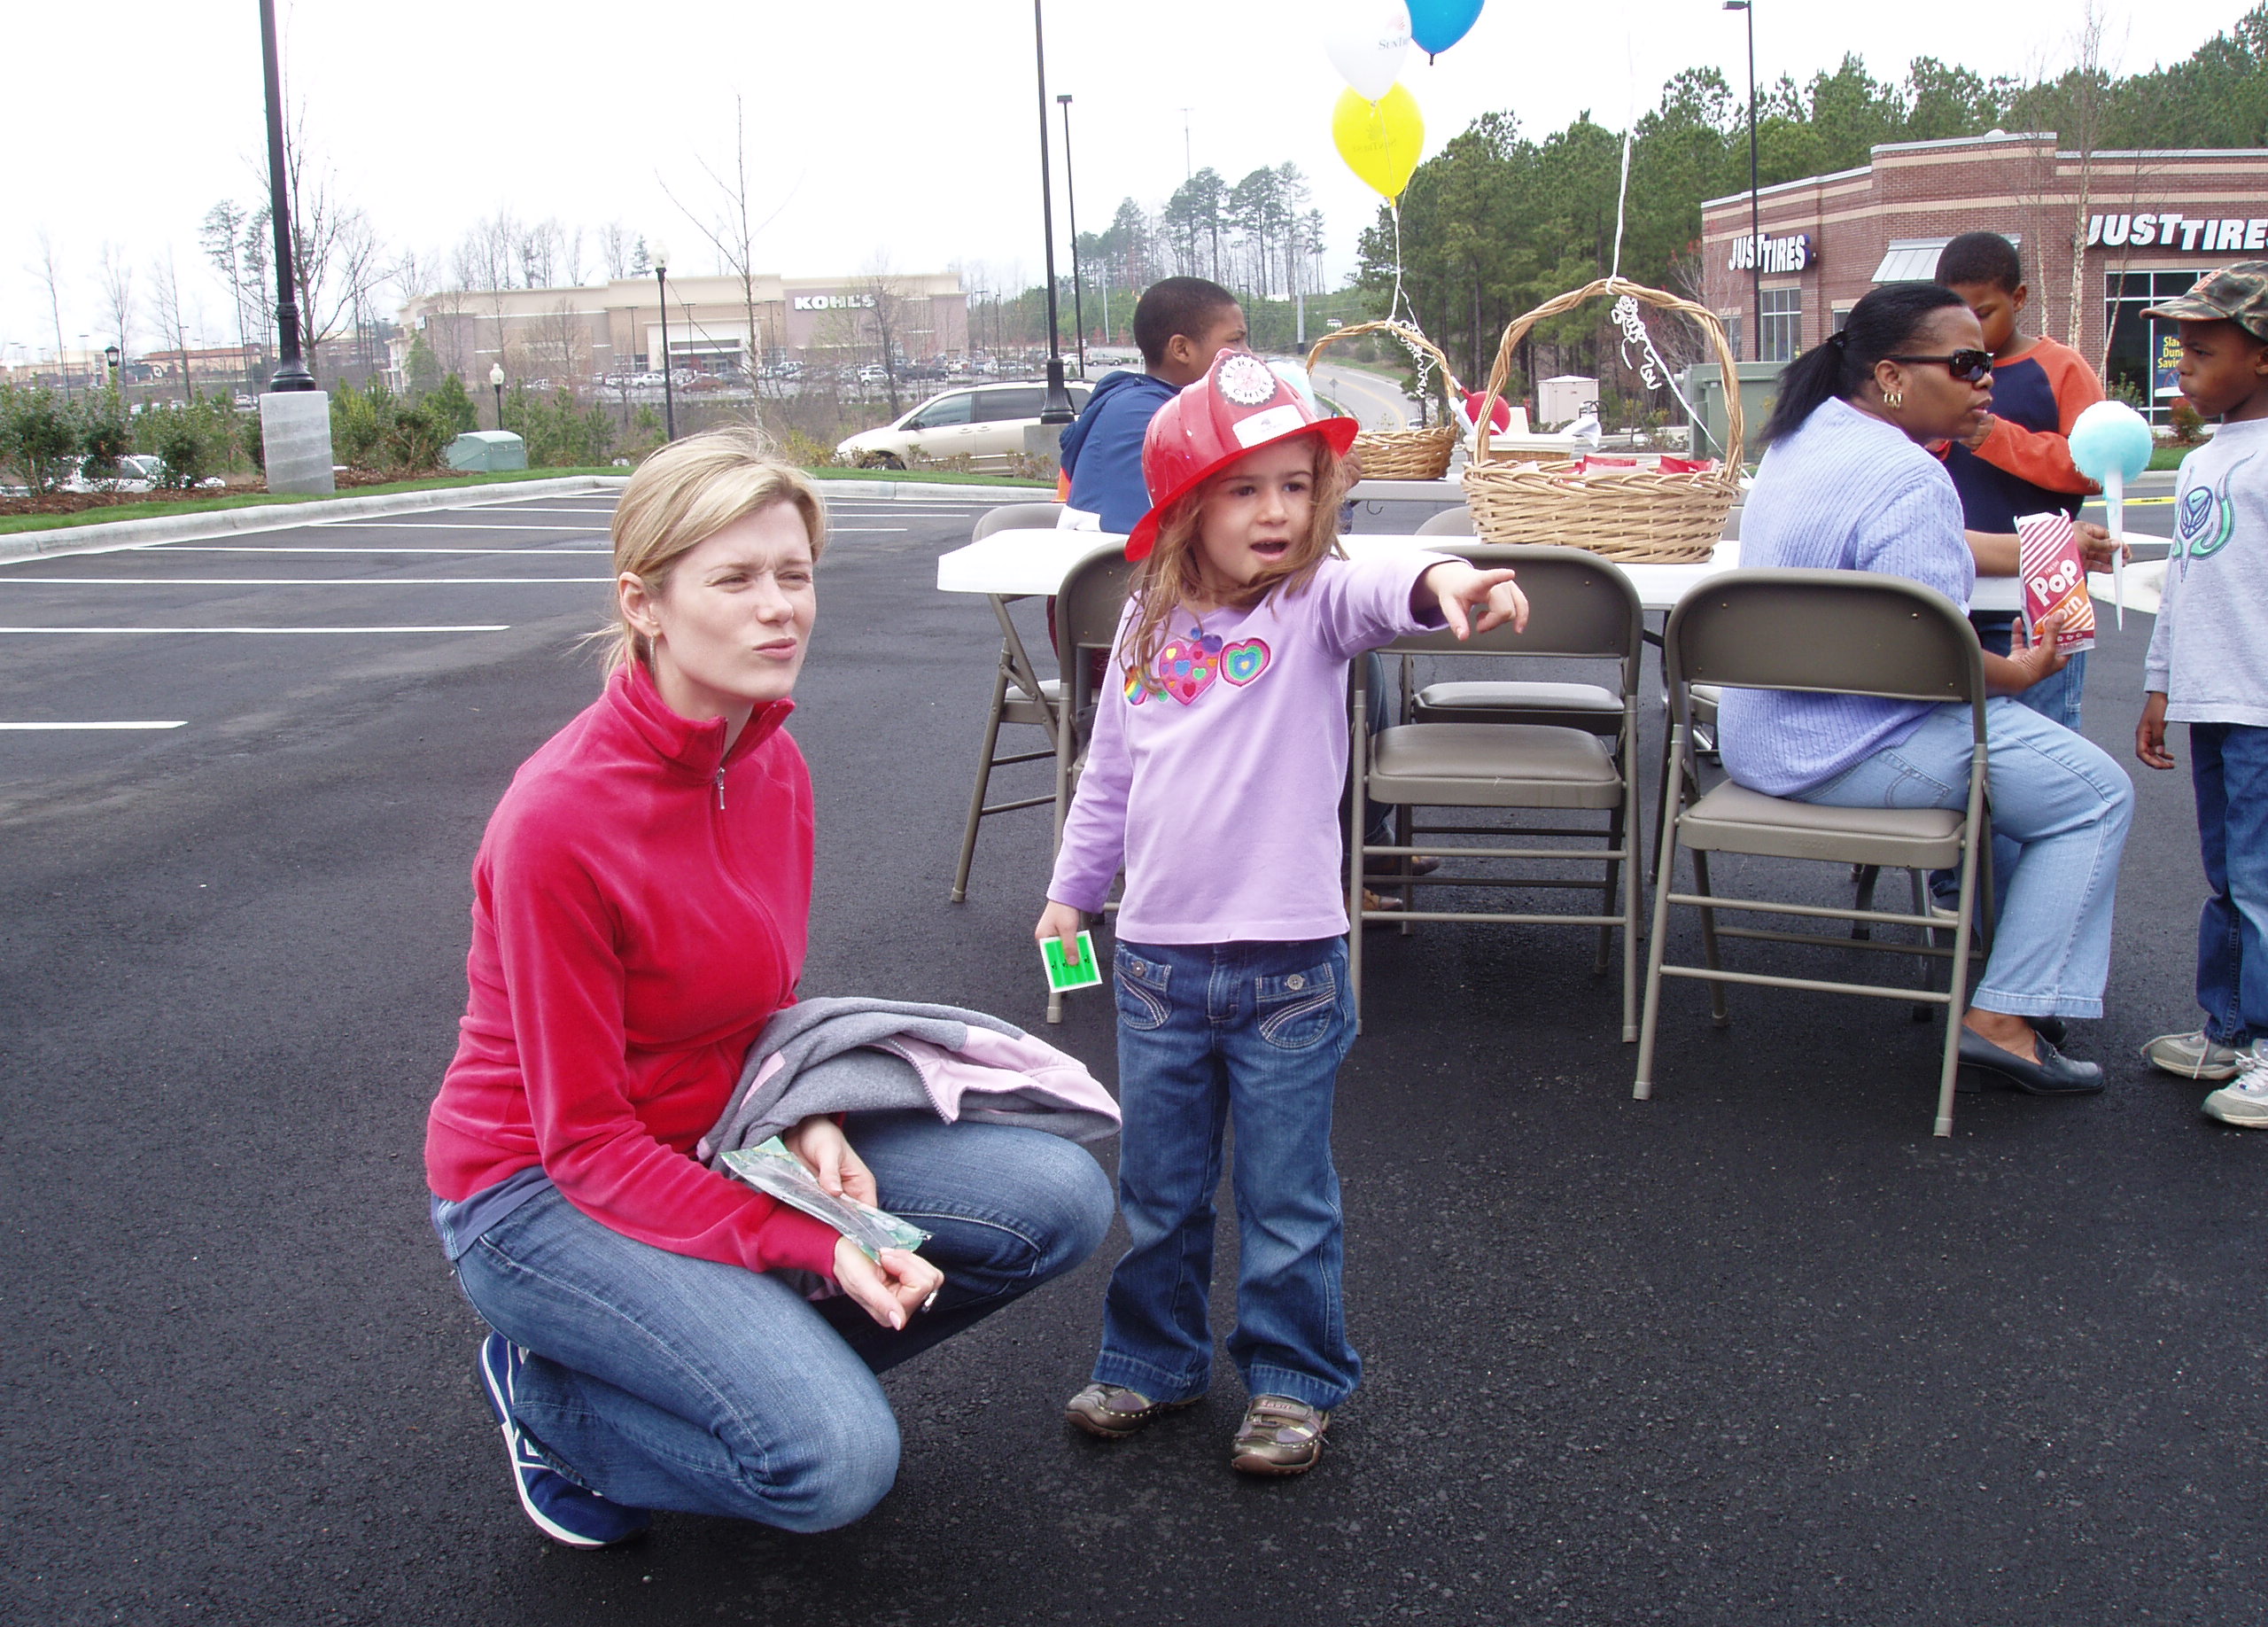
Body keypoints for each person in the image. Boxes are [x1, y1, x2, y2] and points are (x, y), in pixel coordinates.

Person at [425, 431, 1113, 1548]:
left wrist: (809, 1117)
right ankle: (553, 1404)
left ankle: (734, 1370)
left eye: (793, 574)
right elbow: (585, 1145)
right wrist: (808, 1238)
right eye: (734, 579)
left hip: (715, 1135)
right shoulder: (556, 825)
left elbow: (755, 1017)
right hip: (539, 1192)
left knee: (1058, 1200)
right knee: (833, 1467)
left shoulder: (767, 762)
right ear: (644, 603)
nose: (778, 609)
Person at [1034, 350, 1529, 1474]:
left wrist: (1446, 578)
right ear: (1185, 507)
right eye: (1244, 489)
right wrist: (1070, 893)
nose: (1276, 513)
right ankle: (1151, 1361)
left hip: (1288, 969)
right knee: (1158, 1192)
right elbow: (1108, 777)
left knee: (1286, 1198)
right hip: (1156, 966)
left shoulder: (1312, 607)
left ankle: (1292, 1380)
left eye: (1298, 486)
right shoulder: (1147, 624)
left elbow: (1383, 583)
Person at [1716, 281, 2135, 1096]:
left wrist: (2049, 546)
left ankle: (2018, 985)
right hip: (1850, 745)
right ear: (1893, 376)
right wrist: (2023, 671)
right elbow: (1935, 663)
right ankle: (2004, 1018)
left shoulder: (1805, 438)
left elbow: (1920, 545)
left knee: (2055, 784)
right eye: (1967, 363)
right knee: (2095, 795)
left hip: (1764, 736)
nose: (1987, 379)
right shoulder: (1910, 476)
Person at [2134, 261, 2268, 1125]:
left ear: (2262, 357)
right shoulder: (2203, 460)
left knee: (2261, 882)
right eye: (2180, 349)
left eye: (2204, 350)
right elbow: (2182, 588)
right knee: (2229, 876)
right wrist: (2159, 685)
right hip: (2214, 700)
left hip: (2261, 706)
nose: (2182, 364)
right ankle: (2229, 1028)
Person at [1934, 230, 2109, 732]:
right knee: (1960, 738)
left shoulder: (2061, 368)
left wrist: (1996, 438)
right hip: (1955, 589)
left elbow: (2095, 470)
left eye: (1983, 313)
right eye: (1956, 314)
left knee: (2043, 734)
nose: (1969, 328)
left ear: (2019, 298)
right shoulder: (1937, 371)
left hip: (2046, 590)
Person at [1056, 277, 1248, 532]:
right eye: (1235, 340)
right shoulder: (1147, 416)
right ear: (1181, 349)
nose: (1247, 354)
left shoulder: (1145, 403)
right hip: (1124, 556)